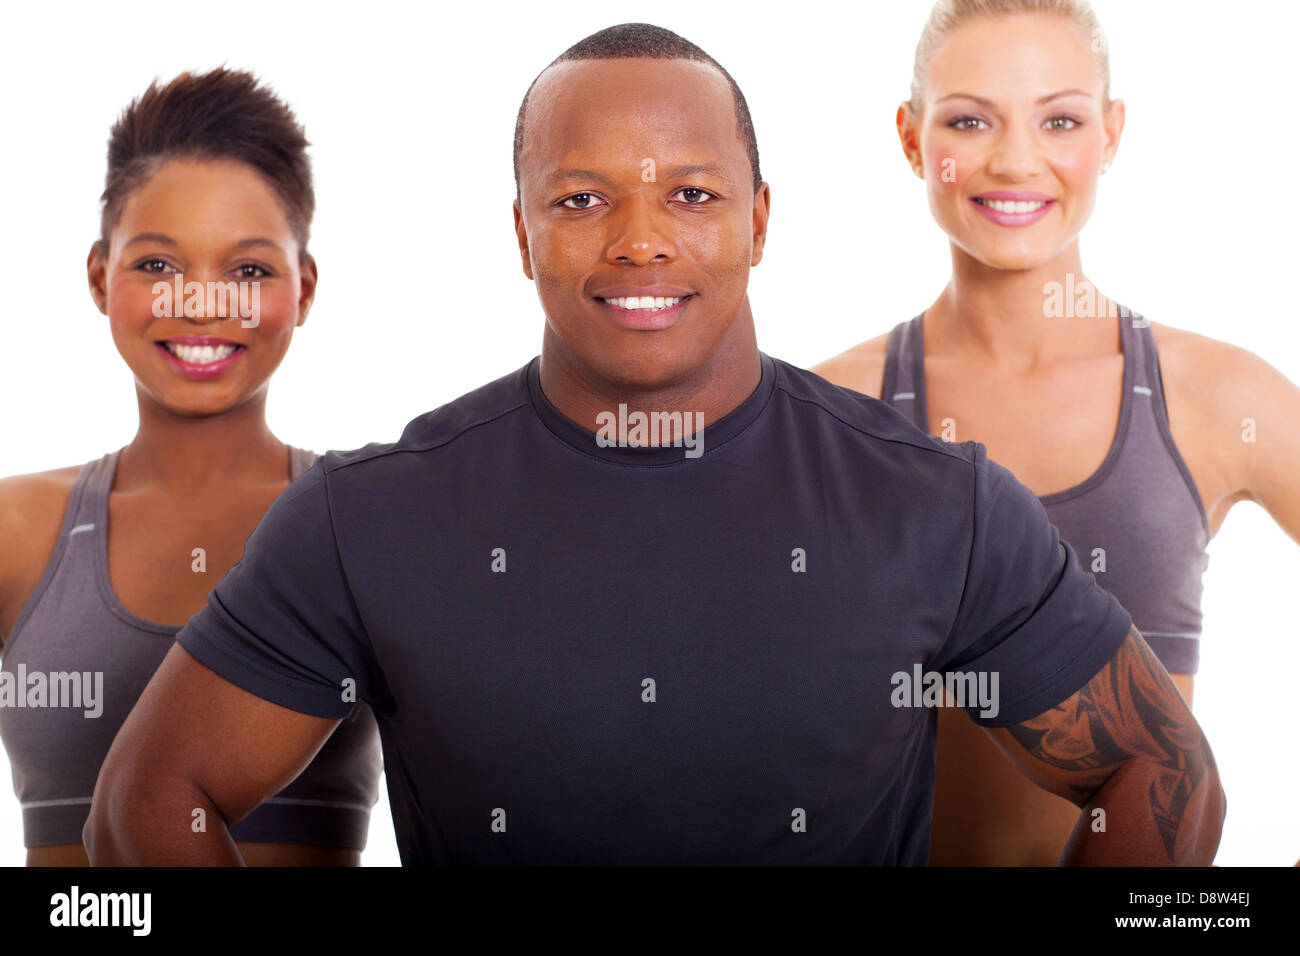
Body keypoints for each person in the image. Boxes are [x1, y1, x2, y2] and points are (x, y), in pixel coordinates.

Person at [86, 24, 1223, 866]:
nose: (638, 242)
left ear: (758, 220)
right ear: (521, 233)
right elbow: (148, 798)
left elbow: (1163, 773)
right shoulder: (368, 515)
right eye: (580, 200)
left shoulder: (937, 502)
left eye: (688, 193)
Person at [814, 0, 1300, 865]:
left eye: (1060, 120)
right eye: (970, 119)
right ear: (912, 138)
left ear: (1111, 135)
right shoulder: (837, 412)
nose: (1015, 160)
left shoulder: (1216, 395)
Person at [0, 68, 382, 866]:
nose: (204, 306)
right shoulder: (17, 531)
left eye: (247, 271)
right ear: (100, 277)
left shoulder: (377, 520)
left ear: (303, 288)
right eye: (158, 266)